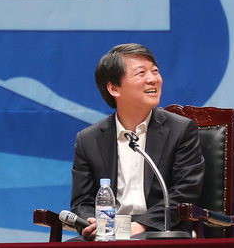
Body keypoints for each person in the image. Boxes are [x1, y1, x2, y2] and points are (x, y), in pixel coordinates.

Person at [70, 43, 204, 240]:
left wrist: (139, 225)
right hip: (108, 232)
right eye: (141, 73)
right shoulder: (88, 139)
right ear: (114, 88)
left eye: (155, 71)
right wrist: (92, 221)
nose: (153, 79)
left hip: (160, 231)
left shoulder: (180, 130)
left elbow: (185, 192)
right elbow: (82, 202)